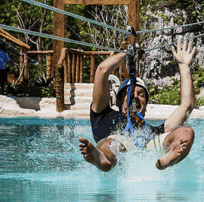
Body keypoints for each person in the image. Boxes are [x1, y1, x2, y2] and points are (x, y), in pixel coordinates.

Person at [78, 38, 197, 172]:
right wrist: (126, 53)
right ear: (117, 101)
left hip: (151, 148)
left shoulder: (156, 131)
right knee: (113, 143)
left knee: (186, 132)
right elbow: (102, 71)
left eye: (141, 94)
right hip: (117, 144)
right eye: (129, 94)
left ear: (146, 106)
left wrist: (184, 64)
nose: (134, 97)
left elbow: (187, 105)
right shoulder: (103, 117)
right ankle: (102, 158)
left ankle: (170, 155)